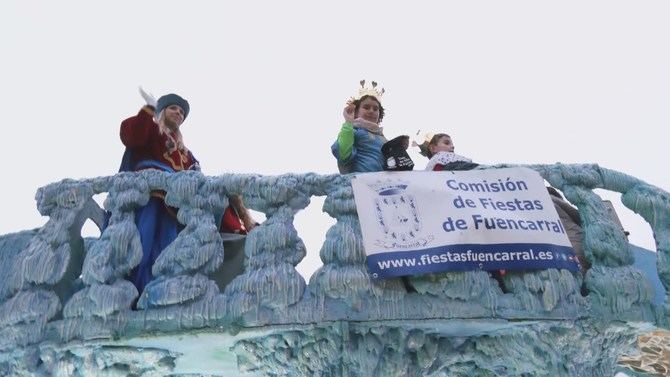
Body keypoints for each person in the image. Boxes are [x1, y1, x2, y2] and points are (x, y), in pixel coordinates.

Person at [119, 90, 255, 295]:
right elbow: (132, 135)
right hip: (154, 199)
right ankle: (143, 286)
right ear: (162, 111)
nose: (179, 113)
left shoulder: (185, 152)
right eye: (173, 108)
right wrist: (149, 112)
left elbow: (197, 177)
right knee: (149, 242)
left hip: (180, 207)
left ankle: (239, 231)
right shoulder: (150, 128)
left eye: (182, 112)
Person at [331, 80, 387, 173]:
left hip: (383, 185)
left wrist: (399, 148)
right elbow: (343, 154)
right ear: (356, 112)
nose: (371, 111)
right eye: (366, 107)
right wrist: (348, 122)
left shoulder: (384, 138)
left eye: (375, 109)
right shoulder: (352, 131)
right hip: (359, 183)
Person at [547, 187, 589, 274]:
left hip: (553, 250)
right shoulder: (552, 199)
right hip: (574, 241)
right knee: (581, 273)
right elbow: (581, 217)